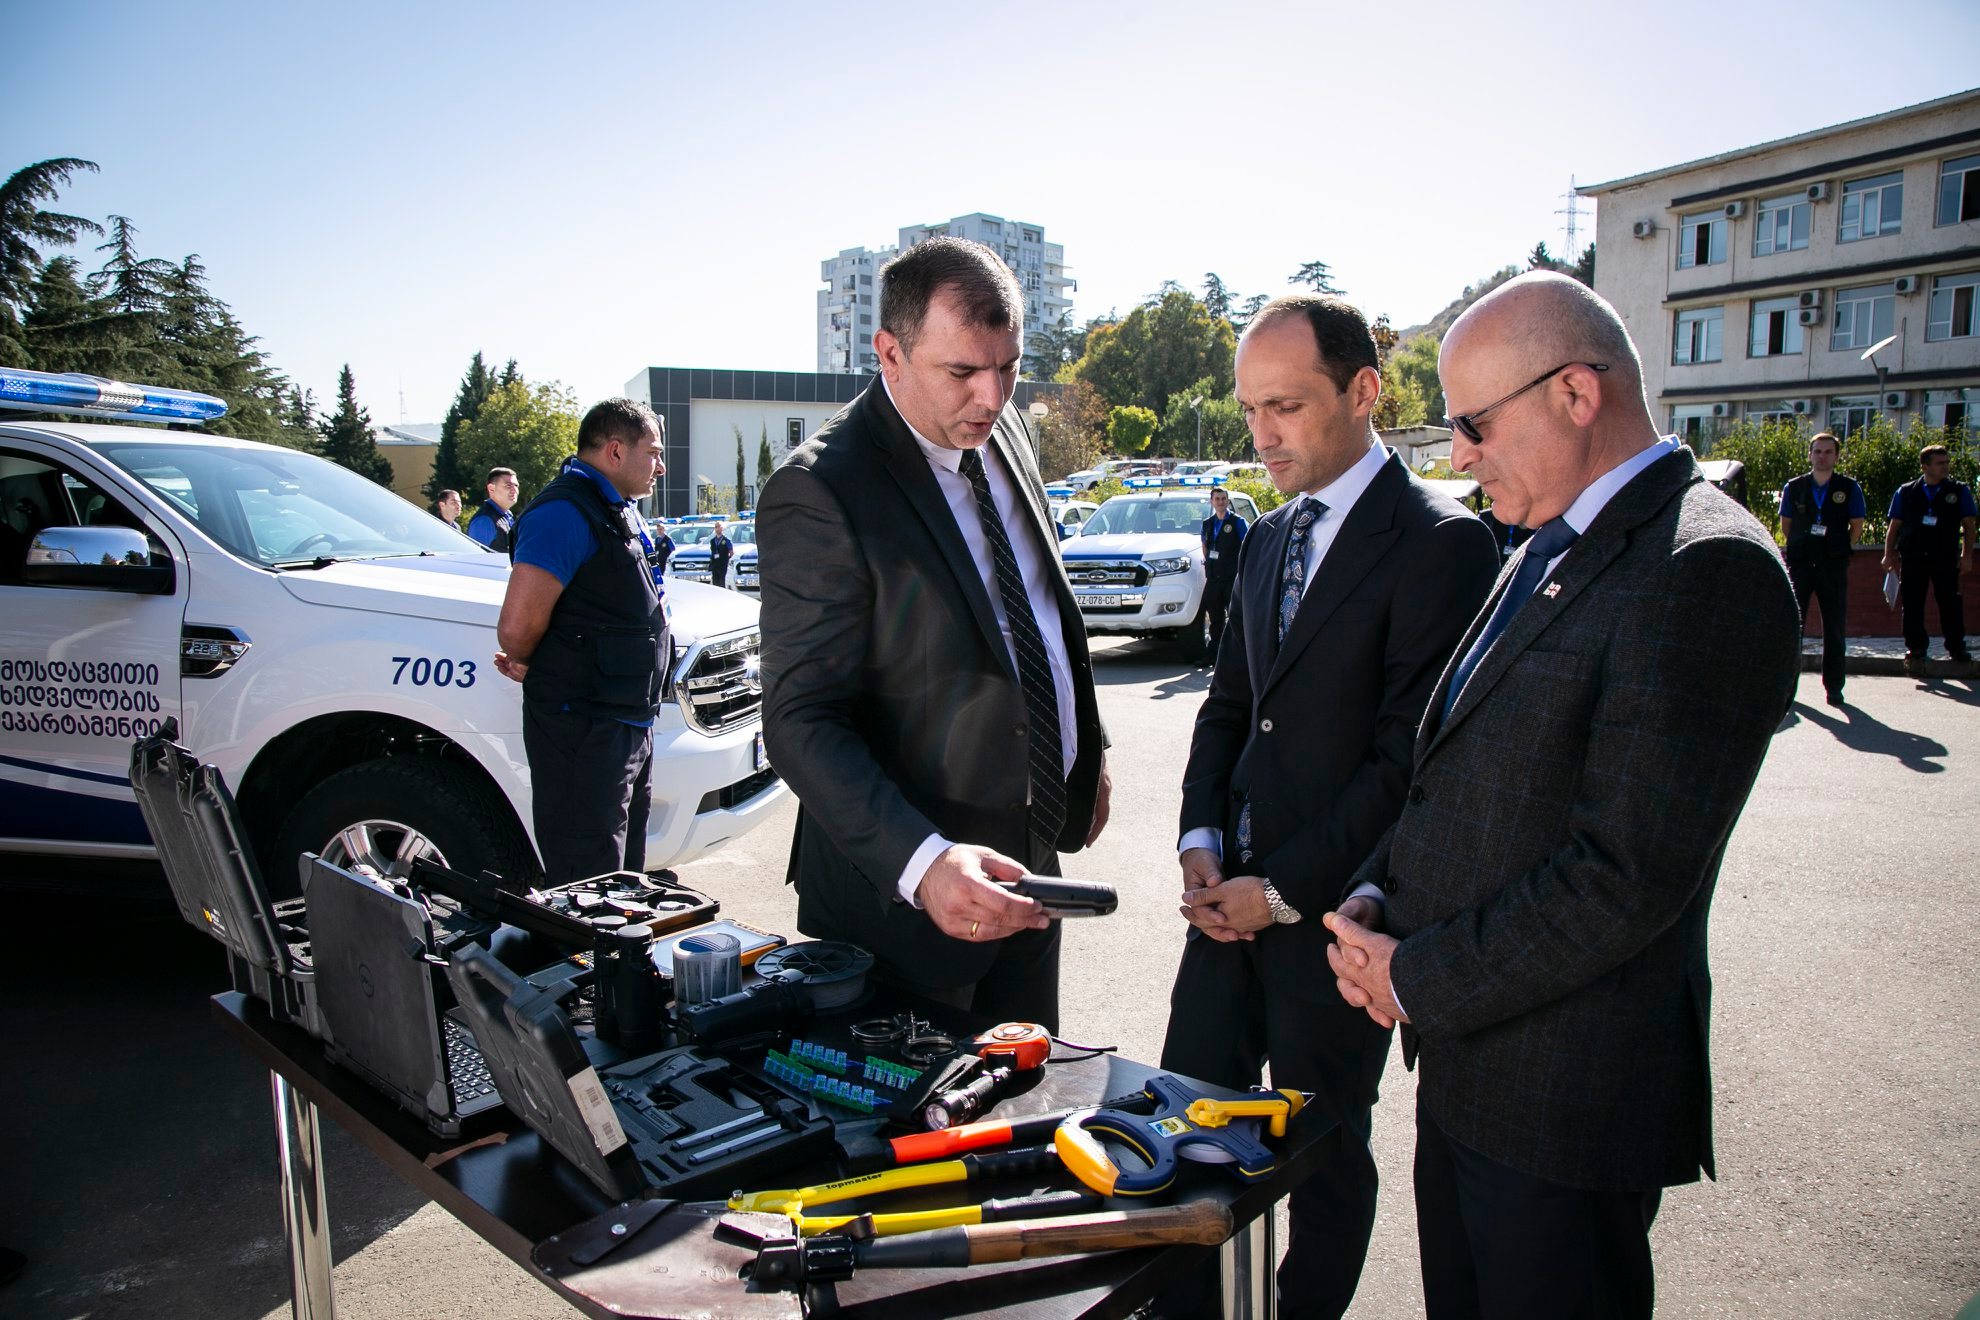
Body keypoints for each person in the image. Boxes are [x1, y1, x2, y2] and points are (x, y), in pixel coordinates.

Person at [1324, 272, 1802, 1320]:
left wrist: (1416, 977)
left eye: (1475, 424)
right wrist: (1378, 894)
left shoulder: (1703, 563)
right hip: (1472, 1074)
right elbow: (1463, 772)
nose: (1458, 456)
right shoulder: (1549, 535)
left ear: (1577, 394)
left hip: (1566, 1107)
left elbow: (1626, 874)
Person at [1159, 296, 1498, 1320]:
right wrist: (1201, 839)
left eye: (1287, 406)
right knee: (1180, 1141)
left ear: (1363, 391)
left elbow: (1407, 763)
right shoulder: (1267, 537)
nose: (1261, 435)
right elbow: (1228, 708)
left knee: (1324, 1164)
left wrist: (1283, 891)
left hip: (1338, 926)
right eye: (1249, 409)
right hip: (1222, 916)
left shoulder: (1442, 542)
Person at [756, 237, 1110, 1028]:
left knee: (1026, 1093)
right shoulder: (819, 491)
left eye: (1008, 367)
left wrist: (1086, 747)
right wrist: (924, 864)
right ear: (890, 353)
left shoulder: (1003, 429)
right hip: (903, 912)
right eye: (962, 372)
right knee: (914, 1110)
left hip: (1028, 863)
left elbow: (1040, 605)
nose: (992, 396)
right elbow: (801, 720)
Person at [492, 401, 668, 882]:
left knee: (623, 880)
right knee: (586, 885)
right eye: (653, 452)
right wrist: (545, 662)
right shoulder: (563, 513)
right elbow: (517, 628)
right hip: (585, 728)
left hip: (624, 722)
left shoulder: (614, 507)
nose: (660, 466)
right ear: (615, 451)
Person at [1779, 432, 1865, 704]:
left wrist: (1839, 547)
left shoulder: (1848, 487)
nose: (1822, 457)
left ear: (1836, 456)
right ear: (1810, 455)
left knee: (1834, 627)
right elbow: (1786, 525)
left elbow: (1857, 526)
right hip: (1801, 563)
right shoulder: (1795, 487)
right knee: (1794, 626)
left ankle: (1834, 687)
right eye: (1817, 451)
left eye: (1828, 452)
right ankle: (1787, 688)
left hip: (1832, 564)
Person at [1882, 444, 1976, 669]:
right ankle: (1916, 647)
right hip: (1913, 556)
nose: (1945, 467)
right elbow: (1894, 526)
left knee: (1950, 602)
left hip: (1945, 556)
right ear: (1925, 467)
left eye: (1946, 462)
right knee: (1912, 603)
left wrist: (1966, 556)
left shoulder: (1958, 491)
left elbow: (1969, 526)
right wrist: (1888, 554)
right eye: (1939, 463)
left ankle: (1956, 647)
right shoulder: (1906, 491)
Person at [1198, 485, 1248, 658]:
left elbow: (1246, 545)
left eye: (1223, 499)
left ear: (1228, 501)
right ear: (1211, 501)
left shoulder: (1237, 522)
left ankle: (1237, 655)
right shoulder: (1207, 524)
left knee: (1235, 616)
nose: (1220, 502)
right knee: (1215, 617)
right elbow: (1205, 546)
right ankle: (1214, 654)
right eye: (1217, 499)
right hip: (1213, 578)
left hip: (1231, 577)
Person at [467, 467, 521, 552]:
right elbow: (479, 556)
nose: (514, 490)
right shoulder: (484, 520)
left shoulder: (507, 516)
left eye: (516, 485)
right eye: (508, 485)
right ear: (491, 488)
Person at [708, 521, 733, 589]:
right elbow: (712, 552)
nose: (717, 528)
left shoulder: (726, 540)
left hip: (723, 564)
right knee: (715, 583)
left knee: (722, 582)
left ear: (722, 528)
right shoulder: (712, 541)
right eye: (716, 527)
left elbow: (731, 552)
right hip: (715, 565)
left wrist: (727, 559)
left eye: (719, 526)